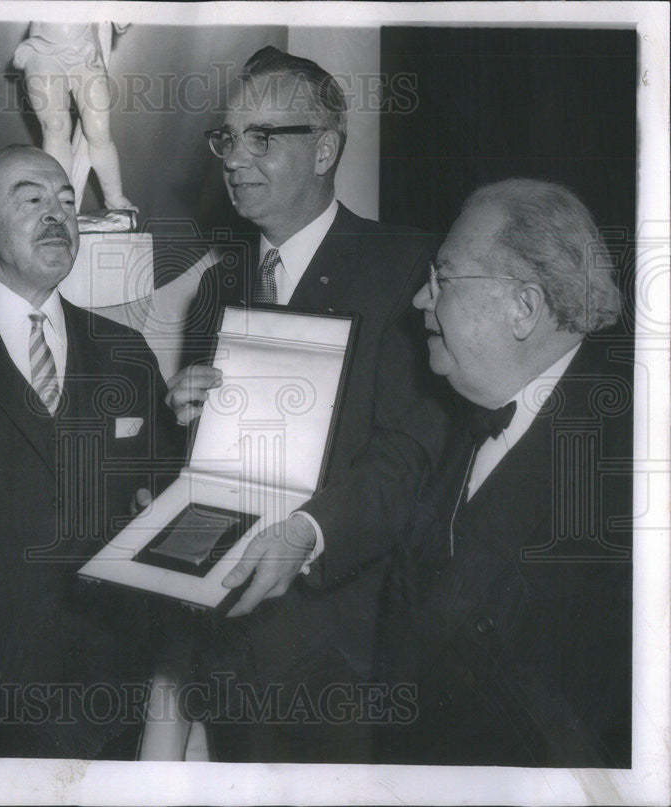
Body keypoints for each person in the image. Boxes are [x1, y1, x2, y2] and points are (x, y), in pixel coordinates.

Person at [163, 46, 449, 762]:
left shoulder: (408, 267)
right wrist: (185, 413)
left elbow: (409, 456)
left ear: (325, 151)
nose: (233, 158)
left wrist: (308, 534)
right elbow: (211, 465)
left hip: (344, 650)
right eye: (228, 138)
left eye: (263, 137)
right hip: (230, 640)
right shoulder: (219, 284)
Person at [0, 145, 184, 759]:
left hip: (110, 702)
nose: (57, 215)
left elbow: (167, 501)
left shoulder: (127, 352)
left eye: (66, 202)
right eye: (31, 199)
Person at [372, 178, 632, 766]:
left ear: (524, 306)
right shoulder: (461, 416)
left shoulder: (627, 472)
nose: (420, 299)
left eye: (444, 277)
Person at [14, 22, 135, 210]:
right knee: (55, 126)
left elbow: (121, 18)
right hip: (42, 50)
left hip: (86, 50)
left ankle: (114, 197)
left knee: (98, 129)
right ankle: (60, 201)